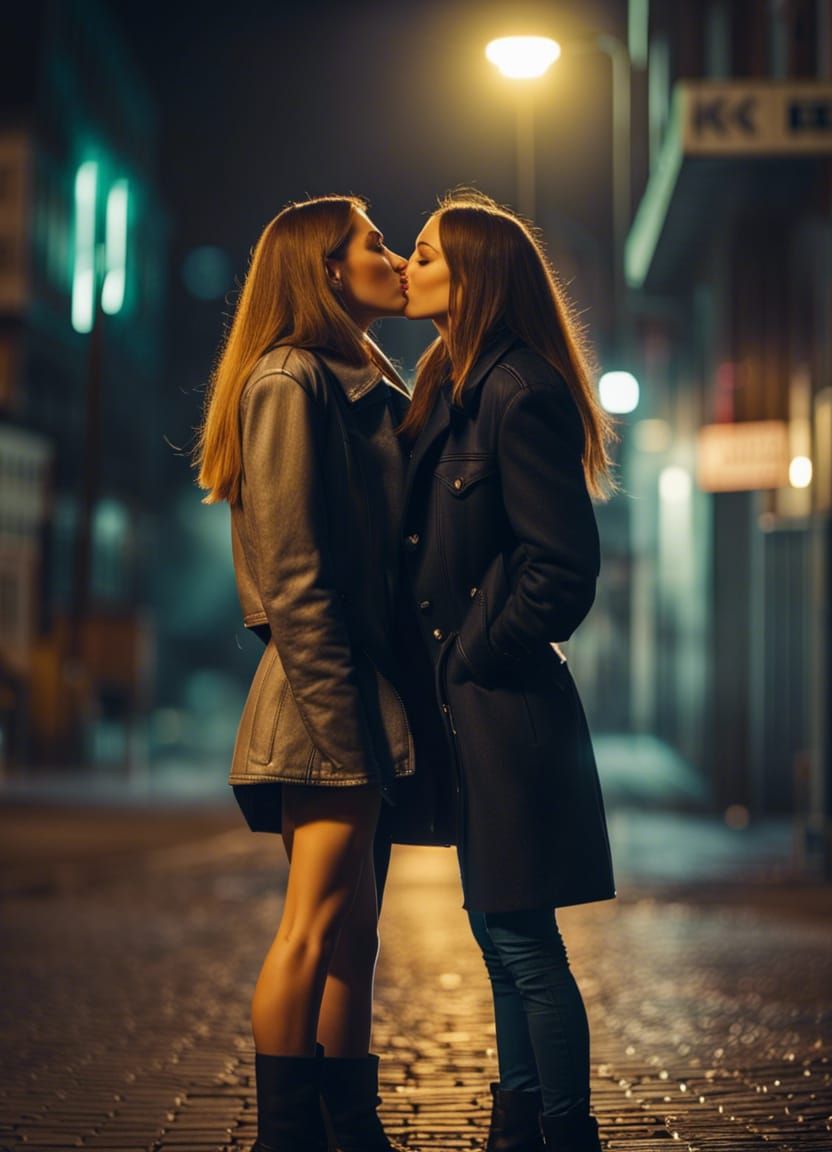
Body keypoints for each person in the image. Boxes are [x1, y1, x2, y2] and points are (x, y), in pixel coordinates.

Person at [398, 191, 617, 1152]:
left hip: (507, 704)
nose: (407, 267)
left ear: (475, 276)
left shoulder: (518, 391)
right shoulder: (452, 384)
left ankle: (563, 1132)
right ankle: (520, 1120)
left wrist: (476, 653)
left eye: (425, 255)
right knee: (499, 931)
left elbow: (561, 569)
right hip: (472, 707)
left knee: (525, 942)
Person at [195, 195, 412, 1152]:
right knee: (312, 930)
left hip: (360, 696)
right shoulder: (289, 381)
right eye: (375, 243)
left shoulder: (359, 375)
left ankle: (347, 1131)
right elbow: (292, 575)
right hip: (327, 699)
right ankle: (288, 1140)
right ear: (326, 270)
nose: (396, 256)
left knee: (353, 939)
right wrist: (340, 732)